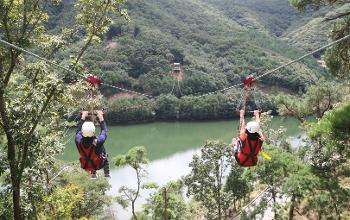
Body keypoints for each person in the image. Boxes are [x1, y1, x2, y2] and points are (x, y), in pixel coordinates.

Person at [75, 110, 110, 179]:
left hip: (86, 165)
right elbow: (104, 131)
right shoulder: (98, 142)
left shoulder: (78, 140)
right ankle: (106, 173)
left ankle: (93, 174)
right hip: (99, 165)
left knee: (94, 150)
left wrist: (83, 117)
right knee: (103, 150)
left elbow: (78, 131)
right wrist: (101, 117)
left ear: (82, 132)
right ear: (93, 132)